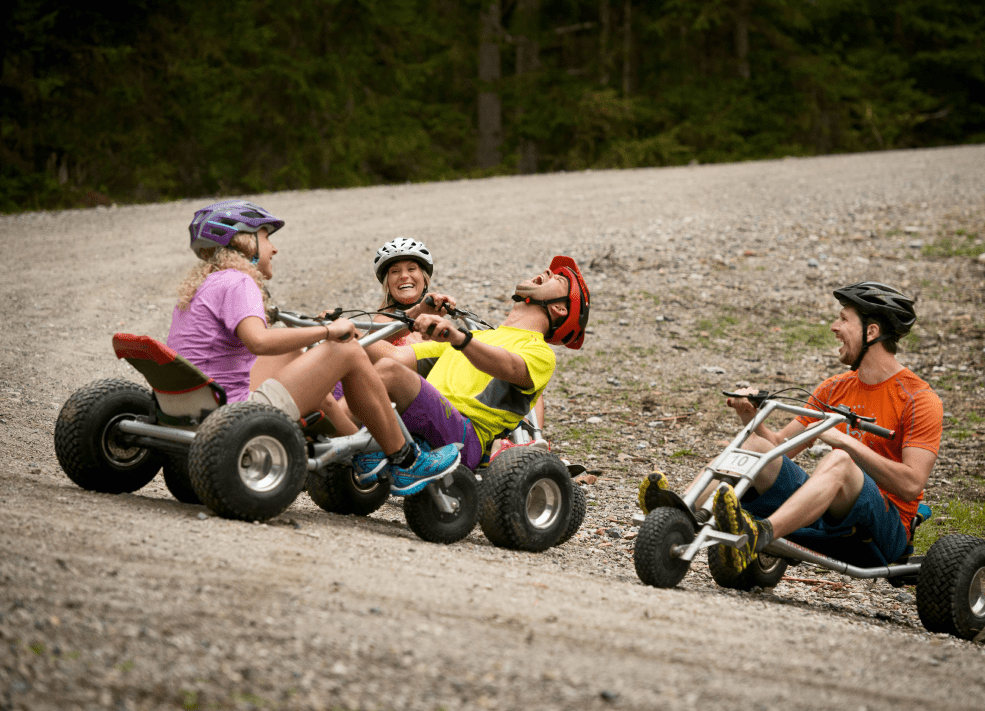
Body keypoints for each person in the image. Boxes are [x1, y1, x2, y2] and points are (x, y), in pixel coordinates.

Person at [643, 281, 943, 575]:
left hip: (883, 533)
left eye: (843, 319)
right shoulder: (834, 389)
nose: (834, 327)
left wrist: (848, 444)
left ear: (872, 332)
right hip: (826, 515)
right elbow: (778, 447)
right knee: (754, 447)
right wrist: (750, 417)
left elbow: (911, 484)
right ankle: (677, 512)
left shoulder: (919, 399)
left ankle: (762, 534)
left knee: (840, 461)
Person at [167, 199, 462, 496]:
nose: (274, 248)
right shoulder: (239, 282)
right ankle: (405, 460)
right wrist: (327, 331)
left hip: (195, 402)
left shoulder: (205, 285)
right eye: (267, 237)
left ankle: (362, 450)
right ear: (245, 243)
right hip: (232, 411)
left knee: (292, 353)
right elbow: (258, 341)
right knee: (344, 349)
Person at [350, 256, 590, 481]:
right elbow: (393, 355)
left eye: (557, 279)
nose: (546, 272)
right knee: (354, 365)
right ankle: (329, 440)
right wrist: (346, 334)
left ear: (560, 309)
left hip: (464, 439)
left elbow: (510, 366)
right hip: (425, 420)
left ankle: (357, 444)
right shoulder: (475, 337)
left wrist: (459, 339)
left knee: (388, 372)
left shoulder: (539, 352)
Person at [368, 237, 547, 449]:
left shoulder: (439, 317)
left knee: (516, 377)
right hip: (408, 397)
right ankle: (509, 444)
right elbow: (370, 349)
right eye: (395, 271)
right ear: (387, 282)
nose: (404, 275)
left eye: (411, 268)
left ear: (425, 279)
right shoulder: (381, 322)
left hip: (437, 399)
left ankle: (532, 439)